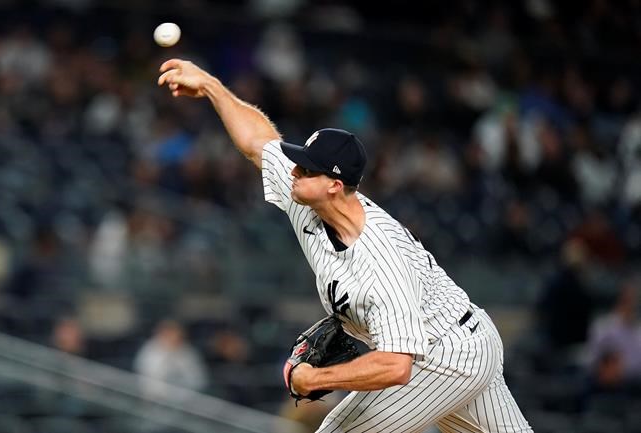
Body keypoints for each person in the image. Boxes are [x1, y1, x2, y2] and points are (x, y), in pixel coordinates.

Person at [158, 58, 533, 433]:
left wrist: (314, 380)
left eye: (305, 169)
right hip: (465, 338)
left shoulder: (378, 260)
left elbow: (396, 365)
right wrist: (210, 86)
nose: (294, 171)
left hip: (444, 353)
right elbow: (258, 143)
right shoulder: (307, 198)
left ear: (334, 185)